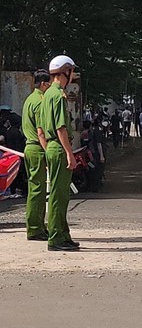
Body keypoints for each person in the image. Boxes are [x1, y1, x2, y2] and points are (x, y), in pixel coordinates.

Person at [39, 55, 80, 251]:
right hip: (59, 146)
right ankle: (56, 238)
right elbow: (61, 128)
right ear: (65, 71)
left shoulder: (48, 94)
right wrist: (69, 154)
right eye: (71, 71)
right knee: (58, 195)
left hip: (54, 147)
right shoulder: (58, 95)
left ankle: (63, 234)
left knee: (62, 194)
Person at [21, 70, 51, 240]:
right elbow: (41, 132)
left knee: (36, 189)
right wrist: (48, 151)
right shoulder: (40, 101)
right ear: (43, 84)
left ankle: (38, 225)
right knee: (37, 190)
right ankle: (34, 228)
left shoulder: (29, 99)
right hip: (37, 148)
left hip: (30, 147)